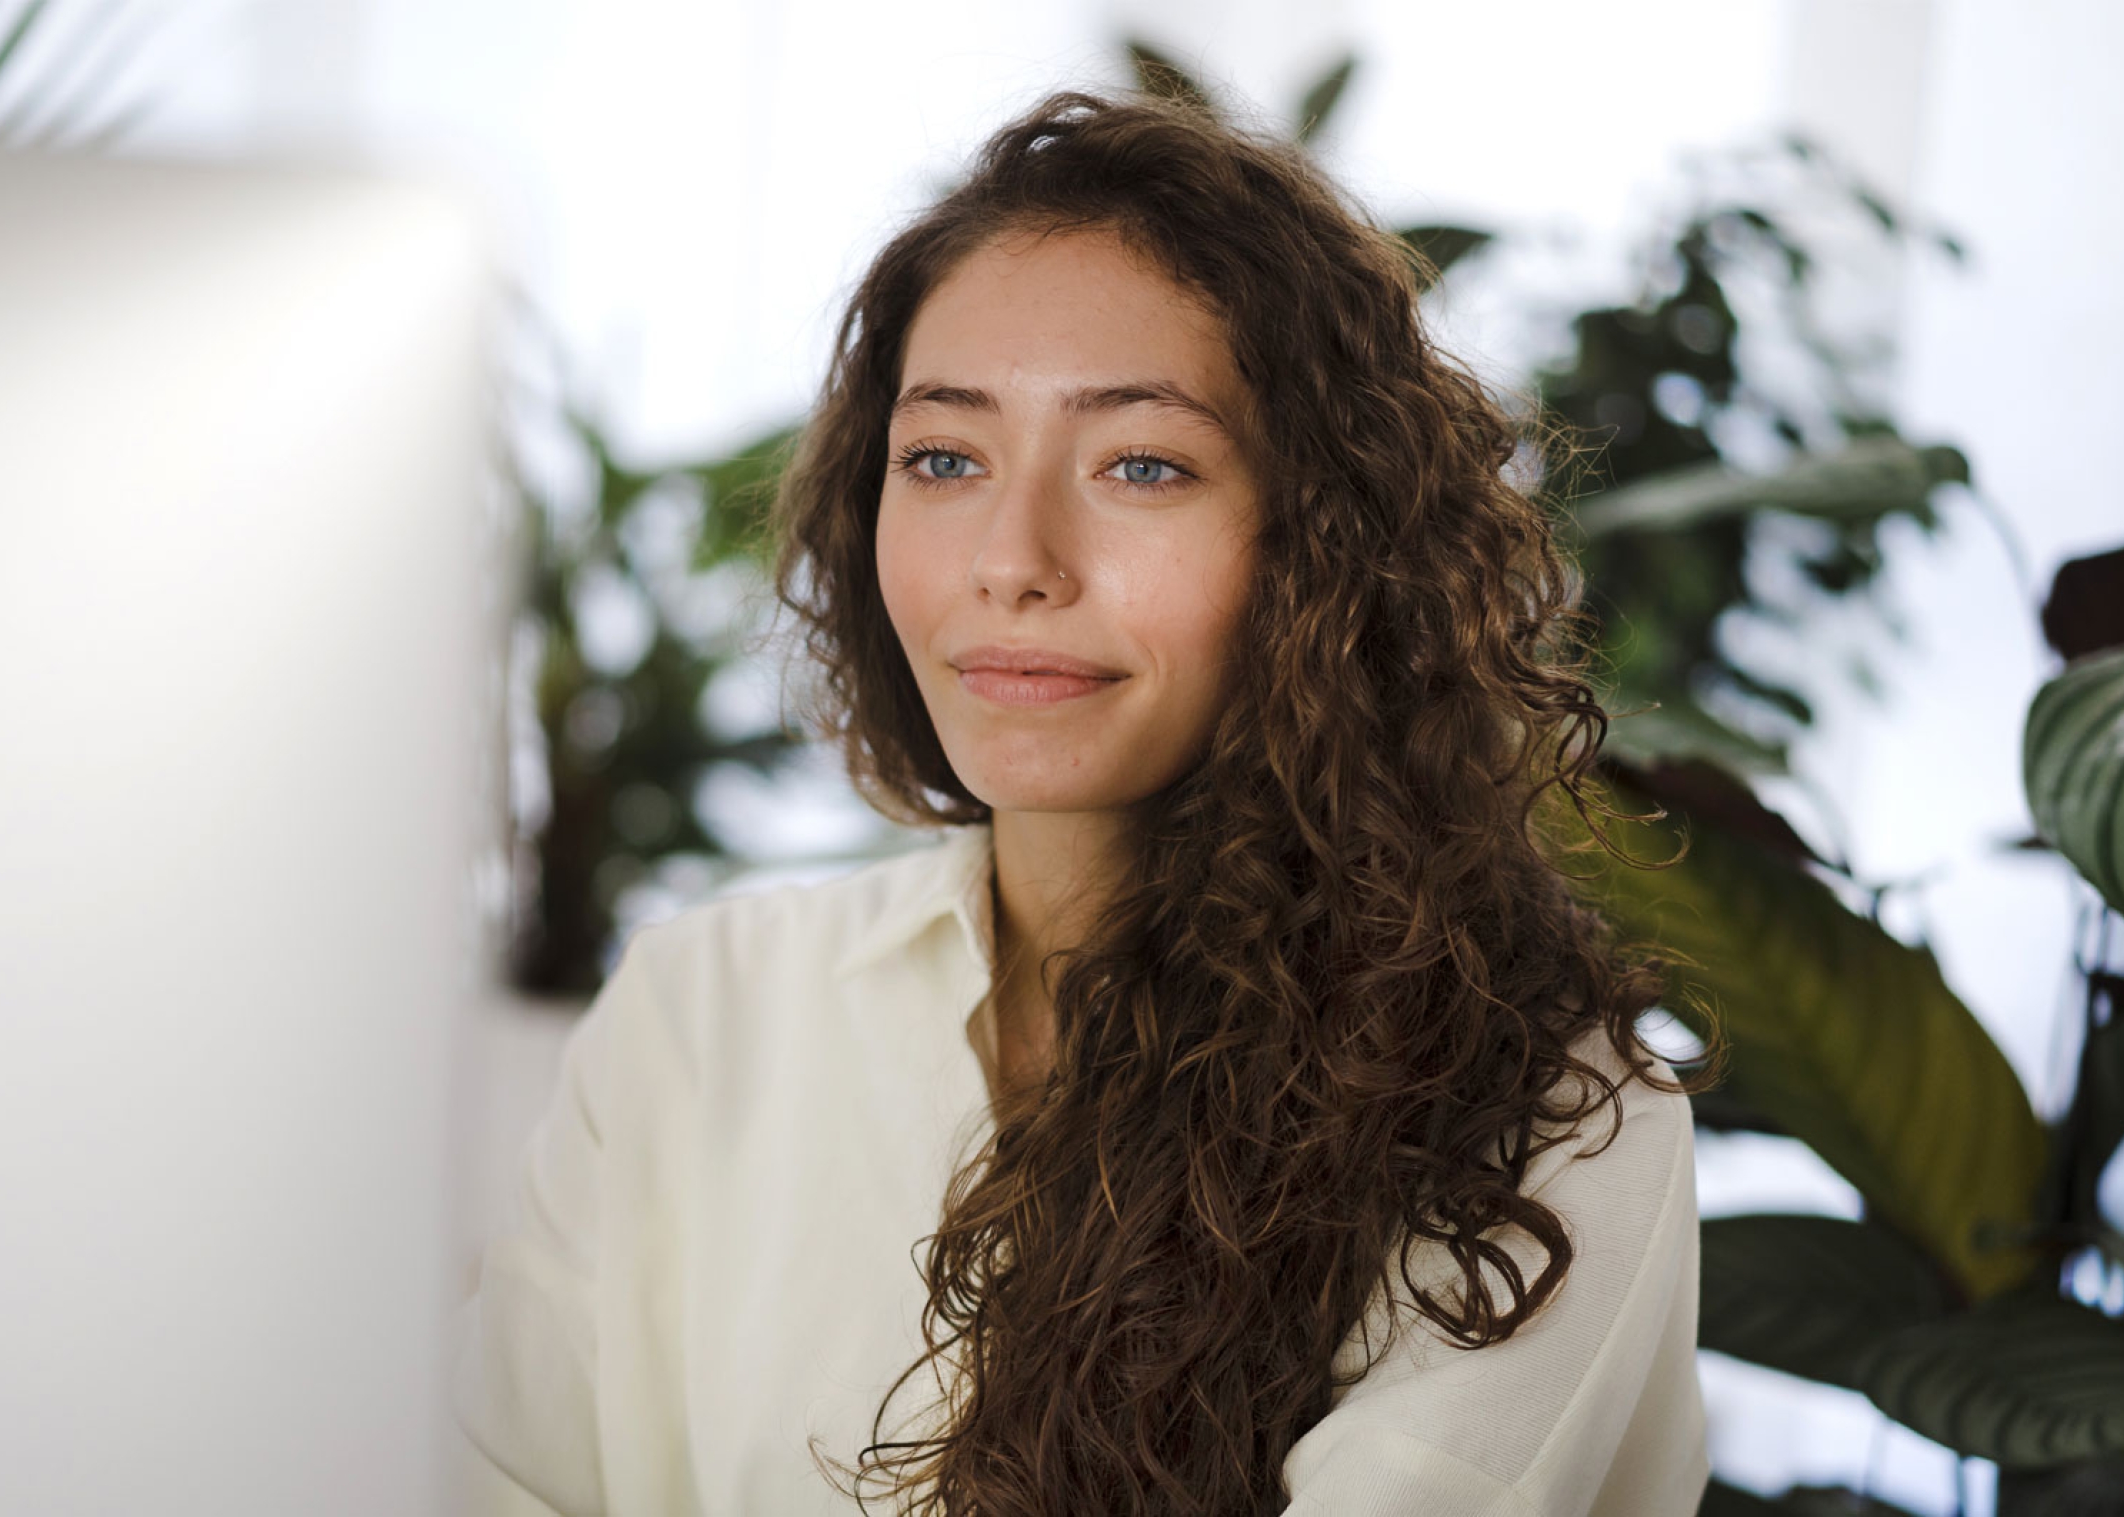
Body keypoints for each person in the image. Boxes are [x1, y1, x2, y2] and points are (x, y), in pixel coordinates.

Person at [454, 85, 1717, 1517]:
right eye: (944, 457)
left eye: (1140, 464)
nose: (1014, 558)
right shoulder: (707, 1009)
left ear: (1327, 542)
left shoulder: (1544, 1113)